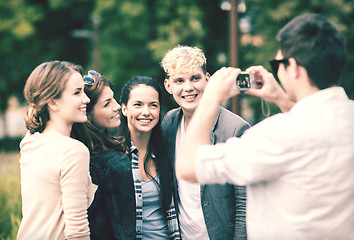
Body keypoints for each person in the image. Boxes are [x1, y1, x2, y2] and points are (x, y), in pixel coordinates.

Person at [176, 14, 354, 239]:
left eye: (277, 64)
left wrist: (211, 98)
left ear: (293, 67)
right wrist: (282, 99)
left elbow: (188, 166)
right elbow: (314, 124)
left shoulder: (273, 135)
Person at [73, 73, 180, 239]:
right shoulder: (114, 161)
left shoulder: (167, 153)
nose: (146, 112)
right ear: (125, 108)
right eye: (138, 105)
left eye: (153, 105)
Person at [160, 45, 250, 240]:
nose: (188, 87)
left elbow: (245, 203)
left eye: (195, 78)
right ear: (168, 86)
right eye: (179, 81)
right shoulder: (168, 123)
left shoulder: (235, 128)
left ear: (207, 79)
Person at [18, 61, 96, 240]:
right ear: (52, 102)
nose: (86, 99)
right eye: (77, 93)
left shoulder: (30, 141)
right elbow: (77, 231)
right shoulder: (73, 151)